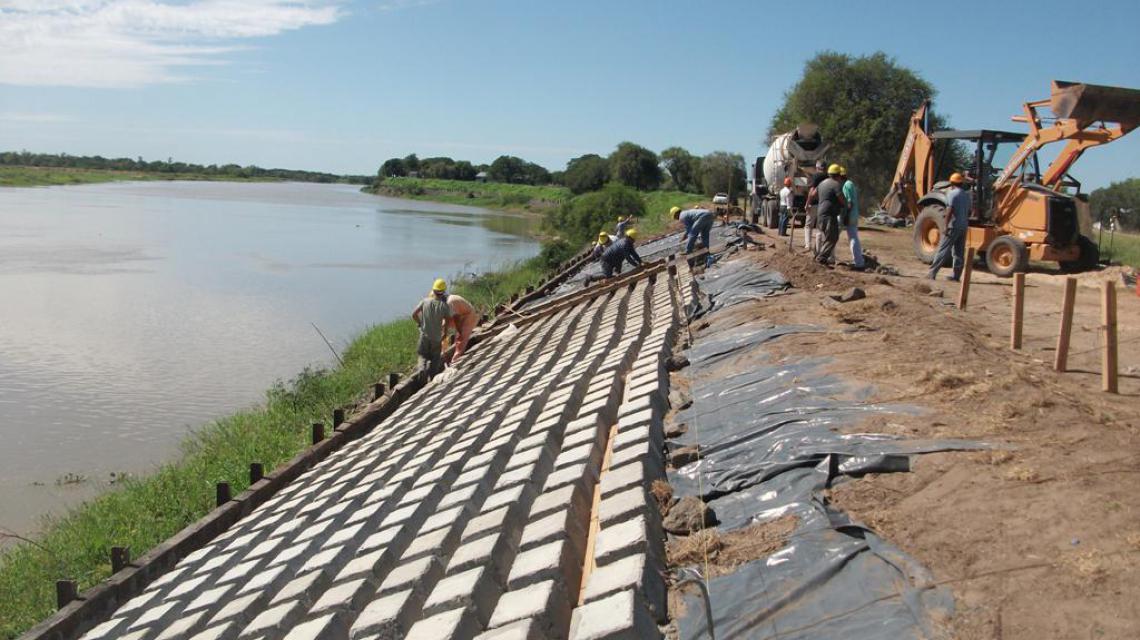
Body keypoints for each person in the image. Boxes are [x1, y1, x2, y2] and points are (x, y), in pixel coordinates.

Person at [928, 172, 970, 281]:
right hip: (964, 226)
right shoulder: (966, 195)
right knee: (959, 252)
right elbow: (969, 211)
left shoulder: (952, 194)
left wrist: (945, 226)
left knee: (943, 249)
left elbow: (950, 210)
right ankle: (956, 276)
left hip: (953, 226)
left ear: (951, 183)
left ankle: (932, 273)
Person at [411, 278, 455, 379]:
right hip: (436, 337)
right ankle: (433, 377)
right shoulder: (444, 306)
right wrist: (445, 333)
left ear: (433, 290)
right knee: (435, 358)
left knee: (422, 355)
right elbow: (448, 320)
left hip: (424, 335)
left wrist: (420, 323)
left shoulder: (424, 301)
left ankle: (422, 370)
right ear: (443, 292)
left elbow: (414, 314)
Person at [814, 164, 848, 265]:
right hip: (829, 215)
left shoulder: (822, 183)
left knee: (828, 236)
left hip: (820, 213)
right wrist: (845, 204)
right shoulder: (835, 184)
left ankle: (819, 256)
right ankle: (821, 258)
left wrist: (824, 198)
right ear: (837, 175)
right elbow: (841, 198)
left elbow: (813, 194)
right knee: (833, 237)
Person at [838, 166, 865, 270]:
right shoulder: (849, 184)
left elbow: (849, 203)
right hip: (853, 215)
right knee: (853, 237)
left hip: (849, 215)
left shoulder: (847, 185)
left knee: (850, 238)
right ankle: (859, 262)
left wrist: (846, 216)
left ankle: (858, 262)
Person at [444, 292, 477, 361]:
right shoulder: (448, 301)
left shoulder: (450, 302)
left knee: (460, 342)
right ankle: (455, 358)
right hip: (463, 316)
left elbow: (455, 318)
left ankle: (455, 361)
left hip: (468, 317)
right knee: (457, 340)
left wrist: (459, 332)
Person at [804, 161, 829, 251]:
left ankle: (808, 245)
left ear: (817, 167)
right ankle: (818, 248)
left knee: (808, 225)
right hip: (823, 205)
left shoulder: (816, 176)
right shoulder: (828, 177)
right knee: (820, 227)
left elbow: (812, 191)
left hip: (814, 204)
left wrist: (807, 203)